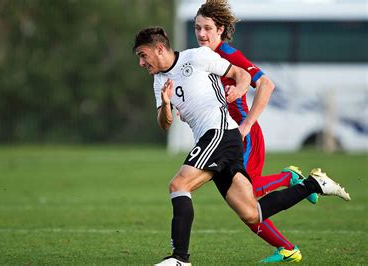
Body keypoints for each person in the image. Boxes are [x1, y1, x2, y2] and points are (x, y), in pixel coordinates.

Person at [133, 26, 350, 266]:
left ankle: (180, 258)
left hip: (220, 133)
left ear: (160, 48)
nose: (141, 63)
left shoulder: (197, 57)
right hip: (217, 140)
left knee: (179, 184)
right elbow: (165, 124)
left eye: (143, 55)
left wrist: (236, 91)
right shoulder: (159, 81)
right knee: (251, 212)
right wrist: (165, 104)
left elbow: (242, 74)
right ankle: (314, 184)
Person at [193, 0, 318, 262]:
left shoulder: (229, 54)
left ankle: (289, 178)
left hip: (242, 135)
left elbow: (267, 85)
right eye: (197, 28)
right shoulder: (202, 57)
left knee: (246, 198)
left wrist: (246, 125)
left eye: (207, 28)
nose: (201, 34)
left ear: (221, 29)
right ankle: (287, 248)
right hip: (223, 137)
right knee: (246, 205)